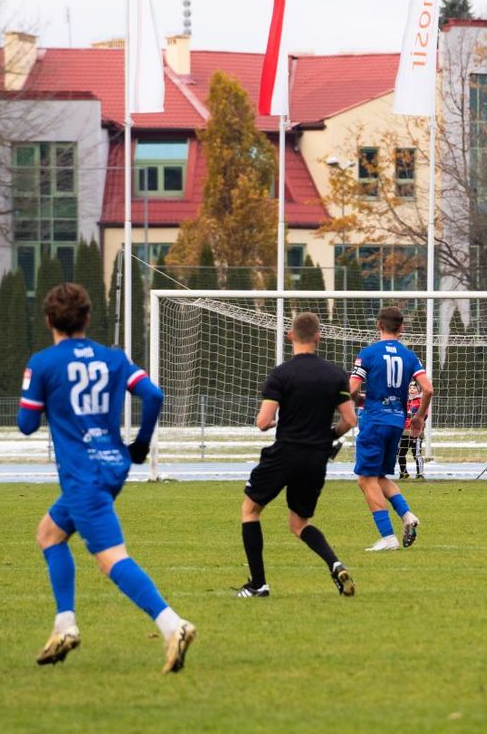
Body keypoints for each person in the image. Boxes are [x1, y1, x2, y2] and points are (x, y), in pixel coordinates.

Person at [18, 282, 195, 673]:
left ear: (49, 319)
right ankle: (65, 625)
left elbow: (27, 424)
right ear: (86, 318)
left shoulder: (44, 362)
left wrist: (41, 392)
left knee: (111, 558)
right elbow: (153, 395)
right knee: (49, 533)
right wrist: (141, 446)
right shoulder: (113, 358)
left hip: (83, 474)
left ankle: (173, 625)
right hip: (112, 465)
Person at [237, 312, 358, 598]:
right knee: (299, 523)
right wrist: (327, 436)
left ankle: (258, 584)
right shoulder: (335, 375)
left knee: (250, 511)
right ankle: (335, 563)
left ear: (290, 336)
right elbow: (350, 421)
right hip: (316, 458)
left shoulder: (281, 374)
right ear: (318, 337)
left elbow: (263, 422)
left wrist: (283, 421)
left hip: (285, 454)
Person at [351, 306, 433, 551]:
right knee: (379, 477)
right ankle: (407, 516)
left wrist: (360, 400)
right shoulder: (410, 356)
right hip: (397, 421)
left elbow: (352, 389)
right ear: (402, 328)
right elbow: (427, 389)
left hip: (374, 421)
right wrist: (418, 417)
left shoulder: (368, 354)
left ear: (378, 325)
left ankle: (387, 537)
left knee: (365, 480)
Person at [397, 381, 425, 480]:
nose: (412, 390)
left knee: (416, 454)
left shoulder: (421, 401)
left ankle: (420, 474)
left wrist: (412, 415)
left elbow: (424, 415)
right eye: (410, 388)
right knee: (400, 454)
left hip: (416, 432)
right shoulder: (405, 401)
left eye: (414, 388)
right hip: (405, 431)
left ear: (419, 390)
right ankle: (403, 473)